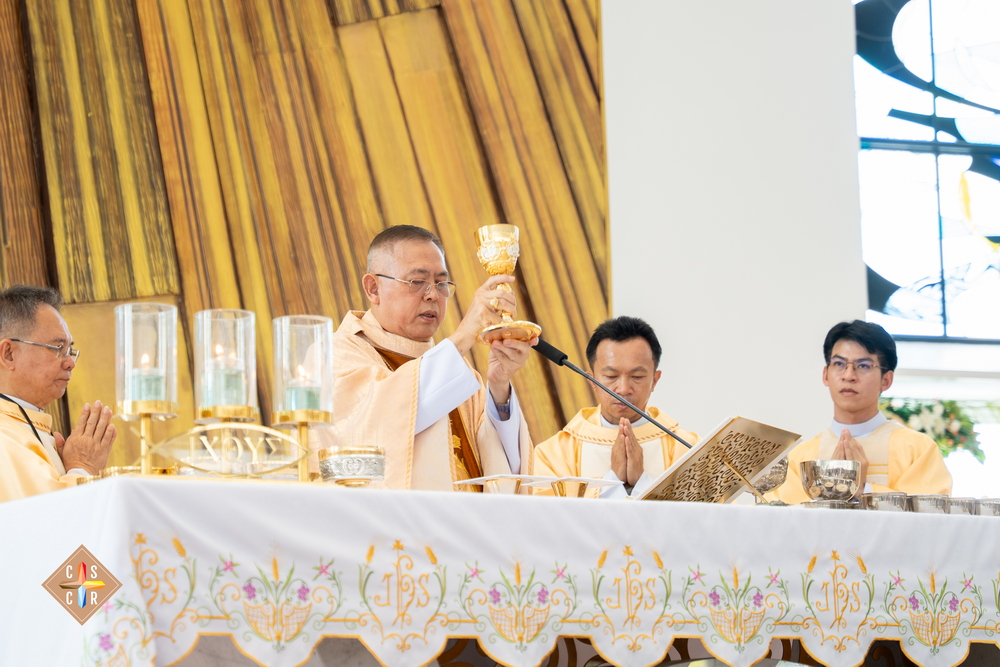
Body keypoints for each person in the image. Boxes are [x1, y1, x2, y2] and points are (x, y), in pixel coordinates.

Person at [322, 225, 534, 491]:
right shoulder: (336, 355)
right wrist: (465, 334)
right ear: (373, 288)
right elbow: (374, 432)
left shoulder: (456, 367)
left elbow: (499, 471)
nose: (433, 294)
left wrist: (499, 388)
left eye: (441, 283)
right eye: (417, 282)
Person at [769, 320, 951, 504]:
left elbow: (932, 512)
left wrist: (862, 489)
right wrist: (833, 491)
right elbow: (781, 516)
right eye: (839, 364)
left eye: (863, 366)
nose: (848, 376)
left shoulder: (917, 450)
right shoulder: (799, 458)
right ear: (826, 375)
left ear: (886, 380)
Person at [532, 316, 697, 498]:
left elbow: (713, 512)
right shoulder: (555, 454)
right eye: (611, 377)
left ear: (654, 381)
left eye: (637, 377)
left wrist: (642, 482)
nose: (623, 389)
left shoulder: (690, 450)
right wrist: (613, 481)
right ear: (592, 381)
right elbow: (545, 513)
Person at [0, 286, 116, 503]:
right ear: (8, 354)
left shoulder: (28, 426)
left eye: (70, 350)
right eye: (57, 348)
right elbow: (44, 519)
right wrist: (82, 468)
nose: (70, 363)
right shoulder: (4, 438)